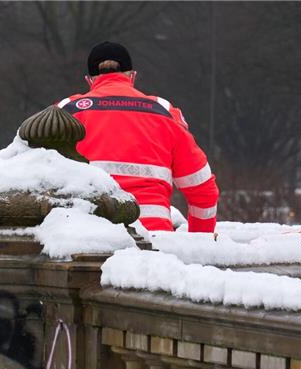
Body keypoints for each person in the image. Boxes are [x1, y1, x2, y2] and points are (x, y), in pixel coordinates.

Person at [58, 41, 219, 233]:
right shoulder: (164, 112)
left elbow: (34, 180)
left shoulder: (65, 111)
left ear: (89, 80)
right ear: (132, 76)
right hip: (153, 239)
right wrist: (200, 241)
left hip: (83, 238)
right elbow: (202, 190)